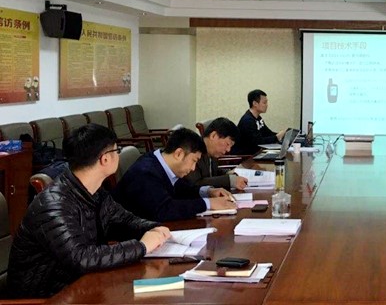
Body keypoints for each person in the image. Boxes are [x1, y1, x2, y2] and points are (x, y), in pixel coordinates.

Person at [7, 124, 170, 298]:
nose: (118, 155)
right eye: (117, 150)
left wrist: (154, 229)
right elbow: (82, 259)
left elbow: (123, 220)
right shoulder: (54, 205)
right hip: (47, 298)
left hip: (81, 287)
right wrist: (142, 246)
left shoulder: (95, 192)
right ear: (105, 159)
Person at [113, 128, 236, 222]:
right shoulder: (146, 173)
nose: (193, 168)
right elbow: (164, 209)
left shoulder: (162, 162)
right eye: (194, 161)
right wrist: (208, 204)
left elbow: (181, 189)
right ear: (179, 154)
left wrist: (208, 192)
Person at [186, 117, 248, 190]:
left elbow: (213, 173)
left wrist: (228, 173)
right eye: (227, 144)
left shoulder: (212, 152)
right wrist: (229, 180)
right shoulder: (193, 151)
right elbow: (195, 183)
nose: (228, 149)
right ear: (213, 136)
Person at [235, 89, 285, 154]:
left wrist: (282, 135)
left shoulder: (258, 118)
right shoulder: (247, 121)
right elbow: (257, 142)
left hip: (256, 152)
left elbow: (267, 133)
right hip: (247, 156)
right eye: (264, 103)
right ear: (255, 103)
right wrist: (276, 137)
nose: (267, 105)